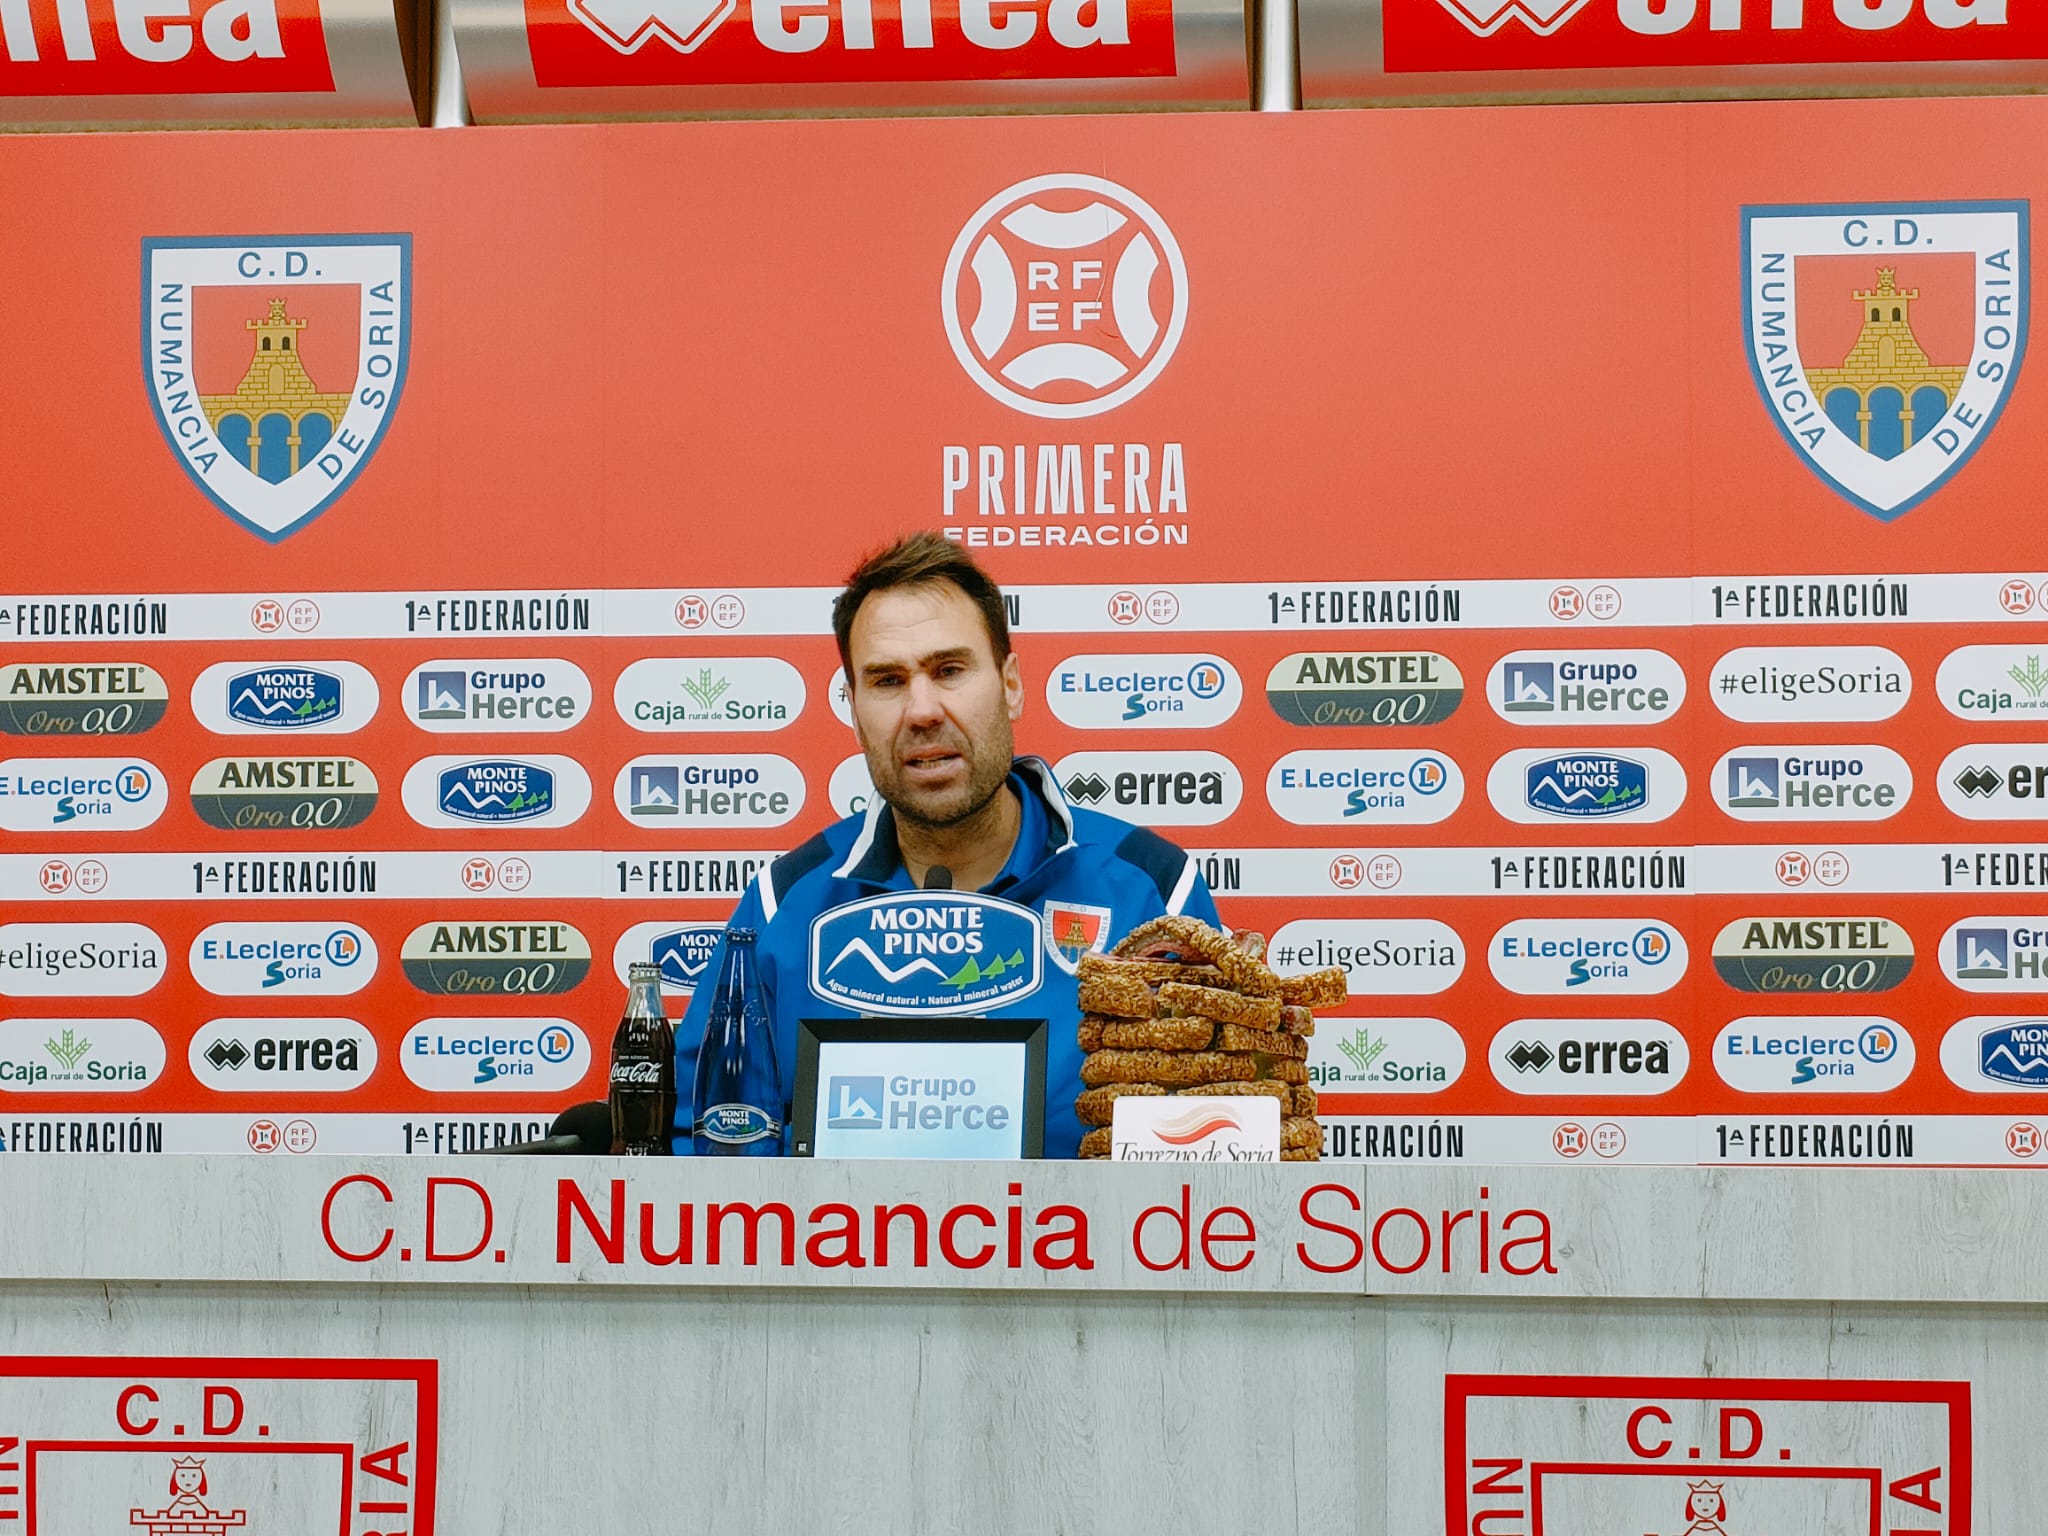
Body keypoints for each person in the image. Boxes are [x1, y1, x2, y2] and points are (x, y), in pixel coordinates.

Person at [670, 531, 1221, 1157]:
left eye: (950, 670)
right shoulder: (784, 903)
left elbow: (1219, 1143)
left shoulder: (1151, 890)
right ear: (854, 710)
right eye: (887, 680)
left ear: (1010, 684)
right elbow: (710, 1163)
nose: (922, 709)